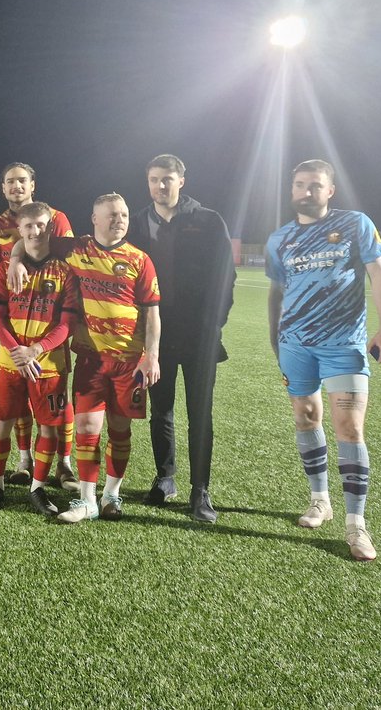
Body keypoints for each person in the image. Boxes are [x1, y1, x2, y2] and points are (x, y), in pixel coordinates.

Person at [266, 159, 381, 562]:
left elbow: (379, 273)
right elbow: (276, 294)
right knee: (306, 418)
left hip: (344, 345)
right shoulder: (280, 239)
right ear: (292, 191)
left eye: (315, 185)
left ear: (329, 190)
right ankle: (319, 500)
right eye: (301, 185)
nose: (307, 191)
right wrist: (275, 342)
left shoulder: (356, 224)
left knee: (350, 428)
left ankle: (356, 525)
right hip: (295, 345)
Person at [128, 154, 235, 523]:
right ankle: (165, 477)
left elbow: (226, 276)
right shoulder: (137, 223)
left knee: (199, 414)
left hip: (200, 337)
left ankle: (200, 491)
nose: (161, 186)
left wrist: (214, 324)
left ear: (182, 181)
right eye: (155, 179)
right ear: (148, 182)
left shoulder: (207, 221)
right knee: (161, 410)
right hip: (155, 337)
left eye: (168, 179)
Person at [46, 194, 161, 524]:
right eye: (111, 215)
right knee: (86, 426)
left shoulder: (139, 259)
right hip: (90, 359)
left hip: (130, 362)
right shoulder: (75, 249)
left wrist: (151, 357)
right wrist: (15, 262)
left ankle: (111, 495)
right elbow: (33, 243)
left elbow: (152, 315)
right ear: (94, 218)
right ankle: (86, 500)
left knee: (120, 427)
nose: (119, 220)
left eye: (123, 214)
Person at [0, 162, 75, 486]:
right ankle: (24, 459)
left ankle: (65, 463)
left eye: (22, 181)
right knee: (17, 397)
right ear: (2, 188)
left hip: (51, 314)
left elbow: (63, 252)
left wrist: (16, 256)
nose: (16, 186)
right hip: (13, 320)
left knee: (56, 396)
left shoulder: (56, 218)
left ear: (33, 184)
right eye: (10, 182)